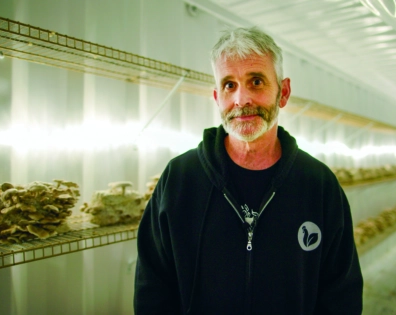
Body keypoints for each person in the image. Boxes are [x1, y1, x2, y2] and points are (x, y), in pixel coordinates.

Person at [134, 26, 363, 314]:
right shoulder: (180, 179)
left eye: (256, 81)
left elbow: (341, 294)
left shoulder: (318, 184)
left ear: (284, 92)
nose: (242, 100)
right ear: (217, 97)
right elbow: (152, 288)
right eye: (230, 85)